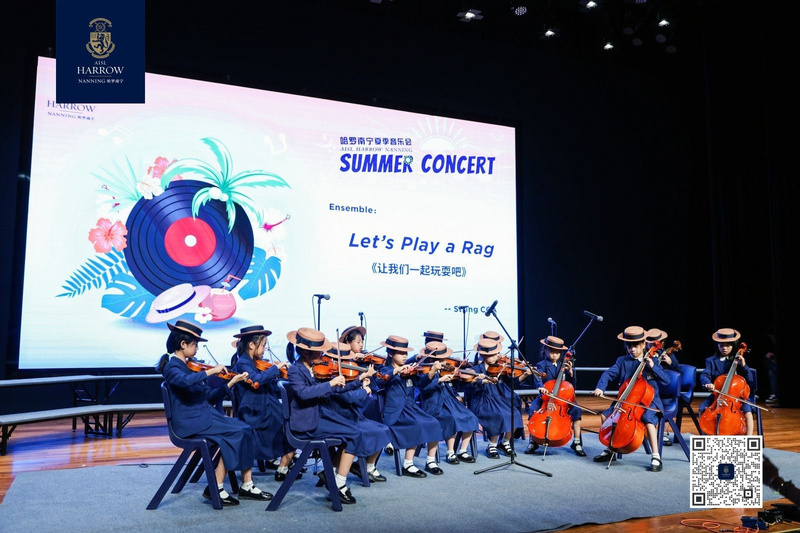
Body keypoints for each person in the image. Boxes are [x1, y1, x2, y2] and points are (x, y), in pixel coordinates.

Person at [155, 320, 272, 506]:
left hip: (202, 415)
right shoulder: (172, 367)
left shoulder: (187, 366)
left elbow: (208, 396)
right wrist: (211, 372)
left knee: (244, 428)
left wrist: (231, 383)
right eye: (195, 344)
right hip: (190, 422)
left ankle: (246, 484)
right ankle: (217, 487)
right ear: (183, 344)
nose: (197, 349)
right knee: (238, 431)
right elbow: (184, 381)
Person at [592, 326, 670, 472]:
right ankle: (610, 449)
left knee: (648, 419)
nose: (632, 350)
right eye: (629, 346)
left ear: (643, 344)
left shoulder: (652, 360)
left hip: (649, 401)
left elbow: (666, 380)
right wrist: (600, 388)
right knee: (605, 415)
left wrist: (653, 367)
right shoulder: (622, 361)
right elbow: (608, 374)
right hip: (626, 400)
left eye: (635, 346)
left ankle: (656, 456)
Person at [230, 325, 297, 481]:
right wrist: (274, 369)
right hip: (256, 410)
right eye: (263, 345)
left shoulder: (253, 362)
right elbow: (256, 380)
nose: (265, 349)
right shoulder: (243, 363)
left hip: (265, 404)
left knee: (291, 422)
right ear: (251, 345)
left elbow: (266, 383)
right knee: (292, 425)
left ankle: (284, 463)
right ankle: (283, 465)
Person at [377, 335, 446, 477]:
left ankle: (431, 461)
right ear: (391, 354)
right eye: (401, 353)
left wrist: (432, 371)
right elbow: (380, 381)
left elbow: (421, 384)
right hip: (396, 412)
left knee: (434, 422)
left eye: (406, 353)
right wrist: (396, 371)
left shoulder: (410, 370)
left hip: (411, 408)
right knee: (416, 424)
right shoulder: (384, 370)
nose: (405, 356)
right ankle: (408, 464)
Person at [324, 341, 392, 483]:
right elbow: (347, 397)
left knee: (384, 429)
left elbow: (349, 391)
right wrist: (364, 390)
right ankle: (335, 472)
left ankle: (367, 466)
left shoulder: (344, 374)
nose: (348, 364)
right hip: (340, 416)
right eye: (344, 360)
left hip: (350, 414)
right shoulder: (330, 376)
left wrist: (362, 383)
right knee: (370, 431)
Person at [416, 340, 480, 465]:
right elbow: (423, 389)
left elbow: (452, 387)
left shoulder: (445, 370)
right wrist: (438, 380)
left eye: (445, 359)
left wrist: (455, 389)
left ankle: (462, 450)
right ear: (432, 360)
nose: (445, 362)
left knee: (471, 417)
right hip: (433, 403)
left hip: (449, 400)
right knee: (450, 418)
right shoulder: (424, 370)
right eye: (441, 360)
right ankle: (450, 452)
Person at [525, 336, 585, 457]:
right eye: (552, 352)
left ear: (561, 354)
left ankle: (577, 442)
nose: (555, 355)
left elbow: (572, 386)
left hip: (563, 399)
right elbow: (537, 377)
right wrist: (541, 386)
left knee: (577, 411)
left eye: (557, 353)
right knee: (532, 409)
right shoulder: (542, 364)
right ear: (546, 350)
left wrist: (571, 373)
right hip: (545, 398)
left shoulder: (565, 364)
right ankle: (533, 441)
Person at [468, 337, 528, 458]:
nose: (496, 357)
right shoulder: (475, 369)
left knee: (515, 413)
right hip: (482, 400)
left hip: (497, 398)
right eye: (492, 355)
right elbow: (468, 388)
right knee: (497, 414)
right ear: (483, 356)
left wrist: (524, 374)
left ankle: (505, 442)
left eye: (496, 354)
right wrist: (480, 381)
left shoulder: (499, 368)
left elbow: (513, 384)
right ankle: (492, 445)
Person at [699, 328, 757, 435]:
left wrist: (743, 365)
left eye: (727, 345)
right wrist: (707, 383)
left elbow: (750, 379)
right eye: (721, 345)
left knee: (748, 412)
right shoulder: (711, 361)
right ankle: (705, 437)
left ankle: (749, 438)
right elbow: (705, 374)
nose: (724, 348)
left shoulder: (738, 360)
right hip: (718, 395)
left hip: (737, 397)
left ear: (733, 345)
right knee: (702, 408)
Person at [646, 328, 678, 446]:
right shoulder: (645, 355)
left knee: (664, 401)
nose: (651, 346)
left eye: (654, 343)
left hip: (665, 388)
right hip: (650, 388)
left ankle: (663, 433)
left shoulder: (667, 354)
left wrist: (670, 363)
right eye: (649, 343)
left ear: (661, 343)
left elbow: (679, 371)